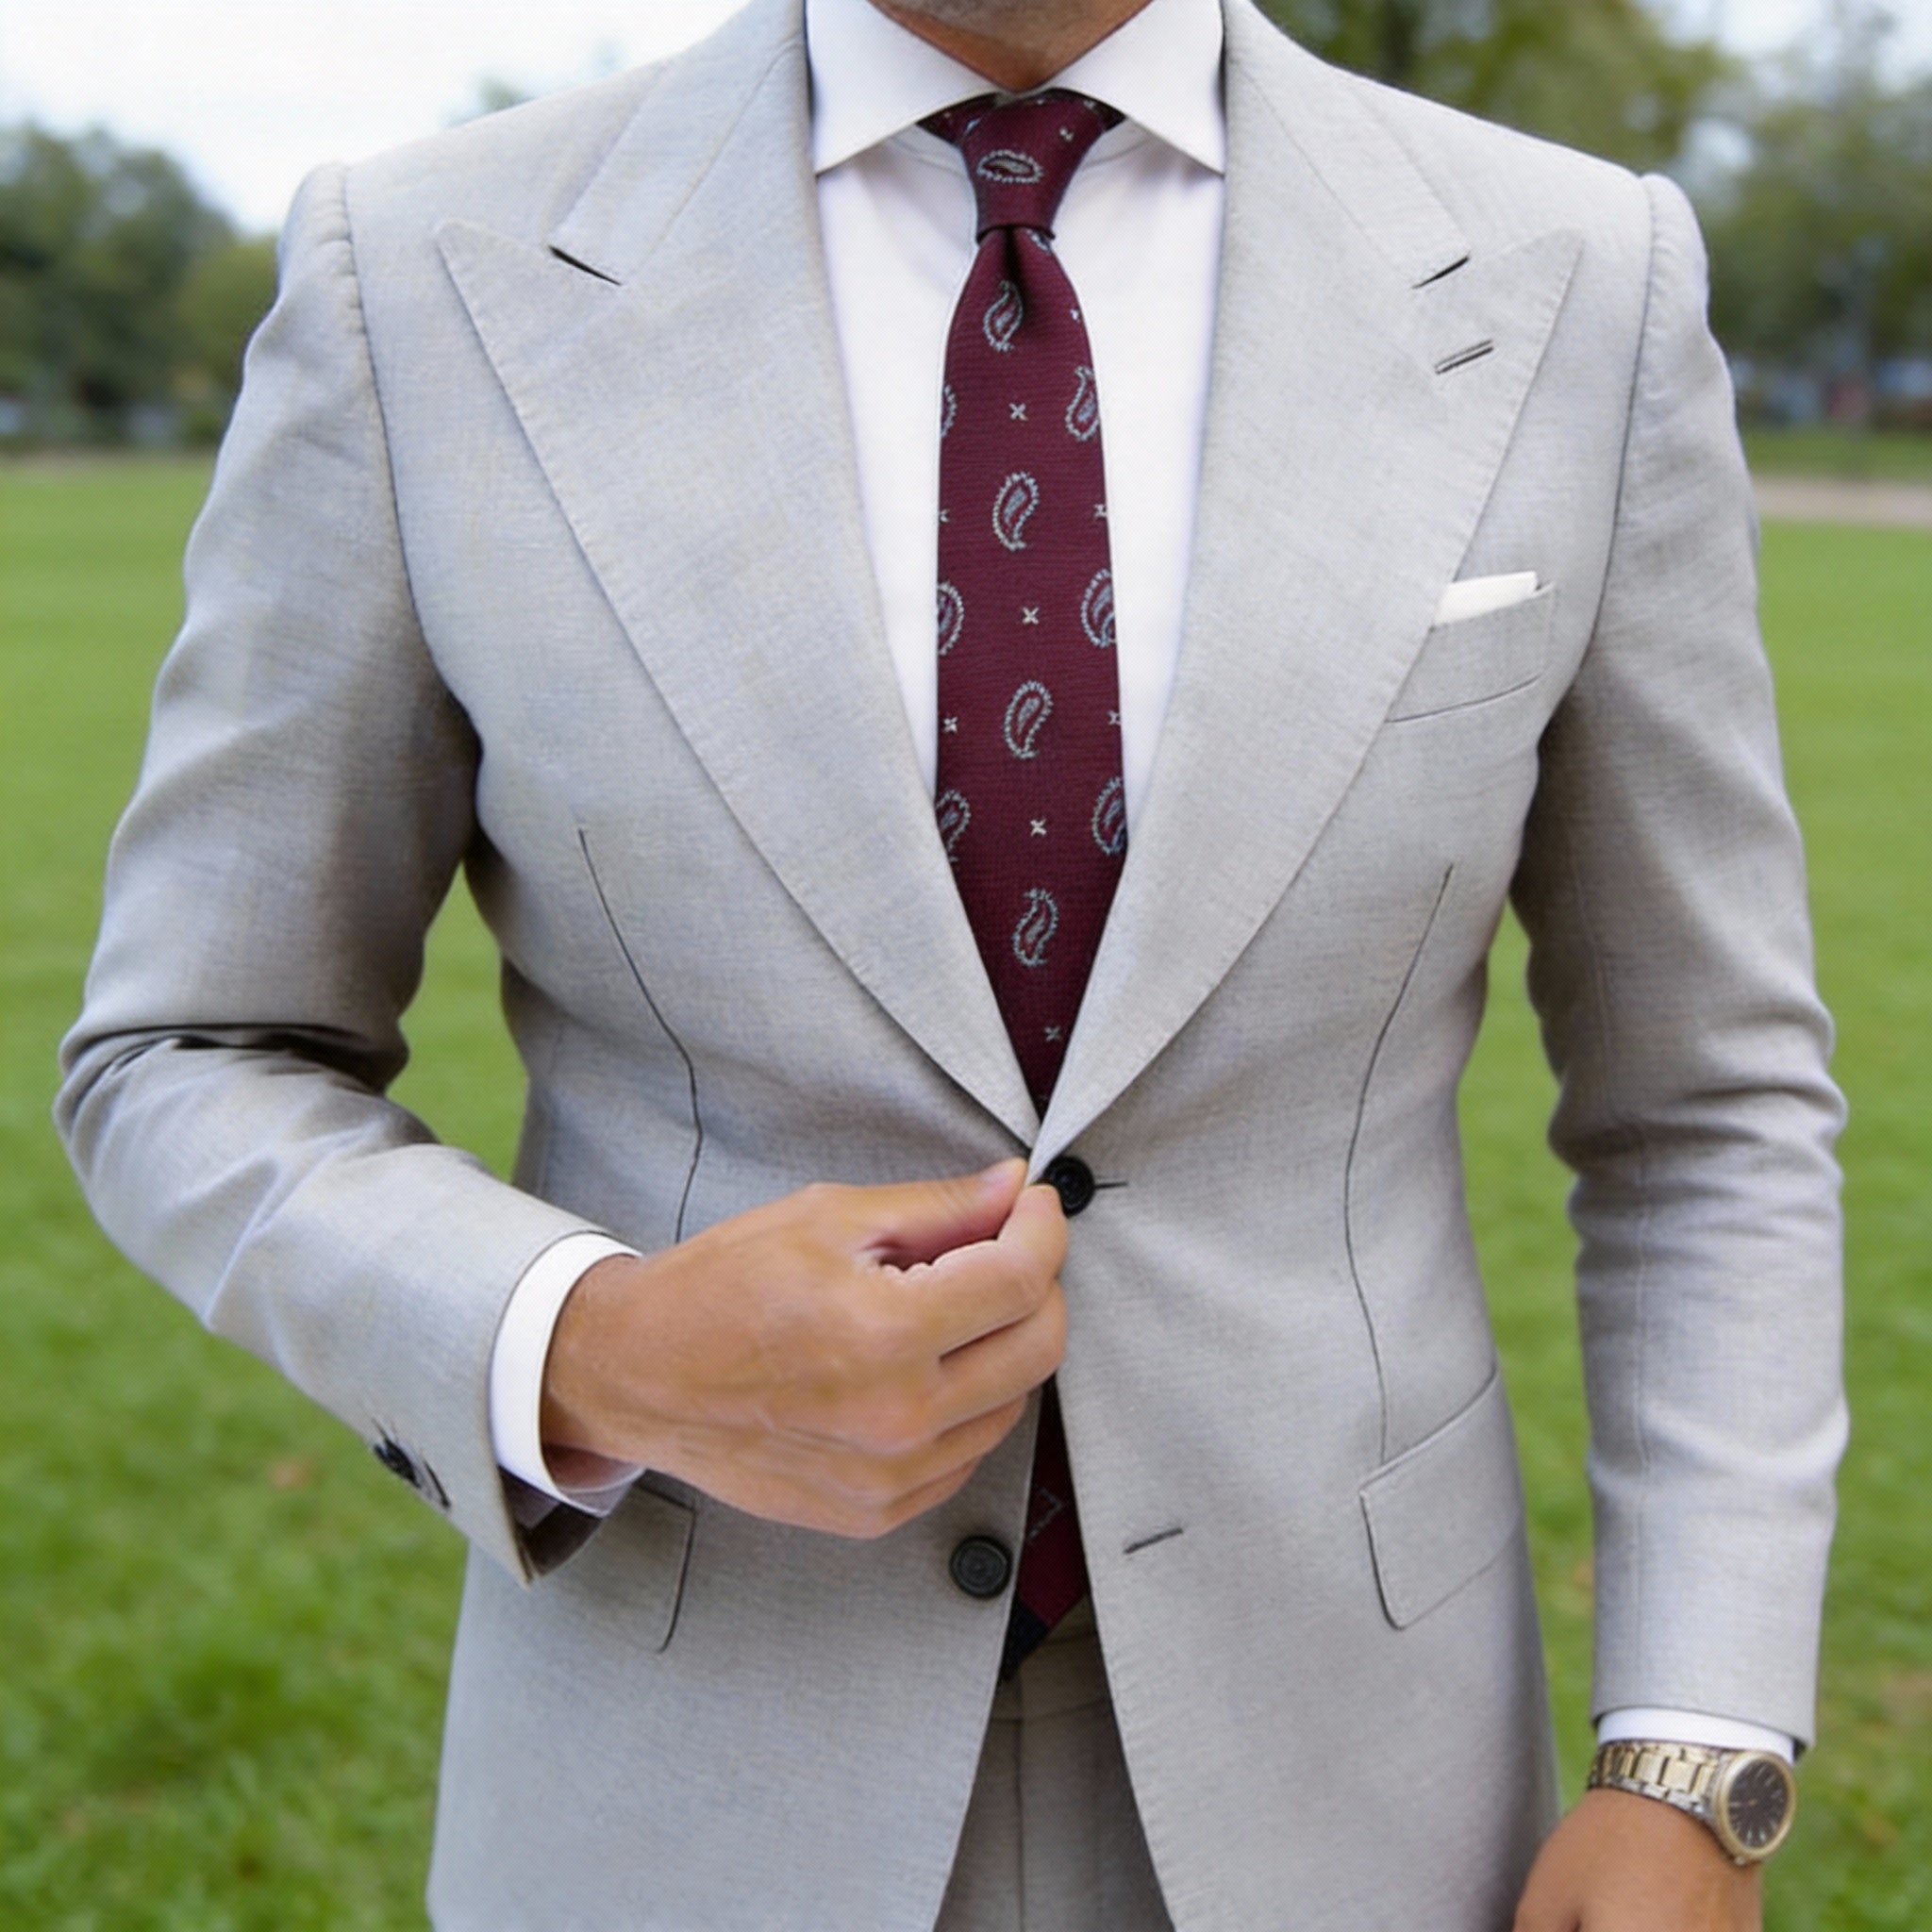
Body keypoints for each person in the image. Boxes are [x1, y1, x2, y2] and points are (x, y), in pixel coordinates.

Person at [58, 0, 1847, 1924]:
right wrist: (590, 1345)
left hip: (1365, 1790)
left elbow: (1705, 1103)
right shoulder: (414, 279)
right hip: (688, 1782)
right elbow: (188, 1046)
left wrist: (1691, 1750)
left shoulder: (1579, 277)